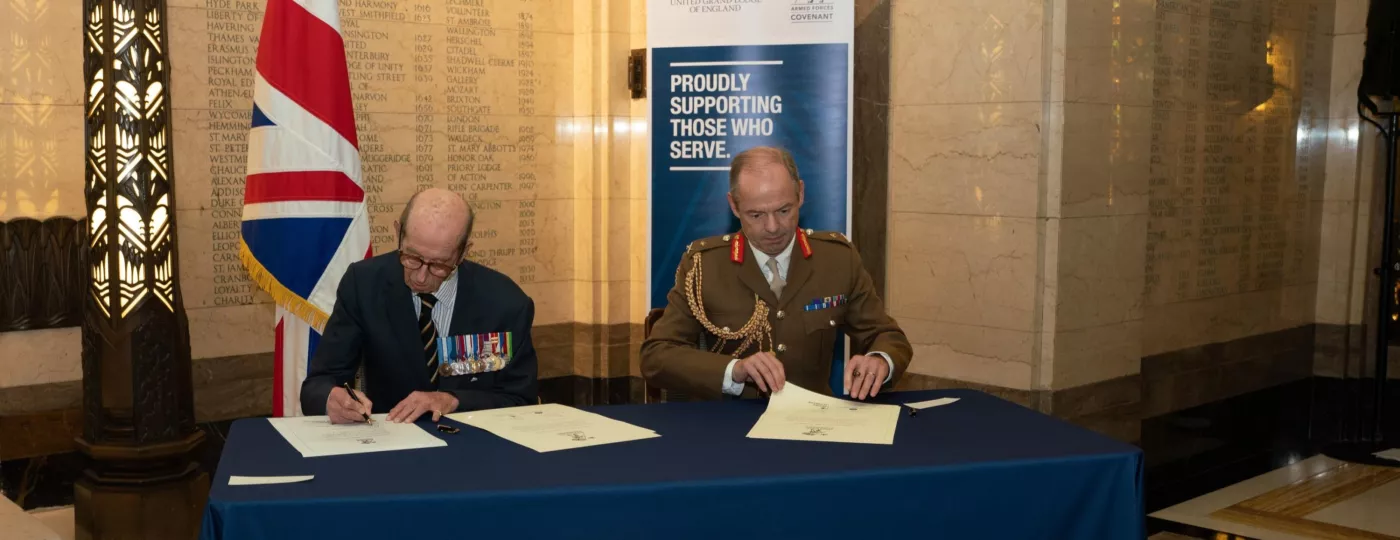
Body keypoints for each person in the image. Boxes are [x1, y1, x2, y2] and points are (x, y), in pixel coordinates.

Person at [642, 146, 912, 401]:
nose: (773, 227)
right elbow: (656, 356)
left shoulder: (837, 259)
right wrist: (733, 370)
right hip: (729, 428)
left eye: (784, 210)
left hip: (812, 425)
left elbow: (888, 336)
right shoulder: (704, 266)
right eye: (756, 215)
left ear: (800, 194)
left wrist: (880, 360)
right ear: (734, 206)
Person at [301, 188, 538, 423]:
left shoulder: (505, 303)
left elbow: (520, 401)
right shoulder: (363, 285)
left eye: (439, 264)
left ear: (463, 253)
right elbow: (318, 384)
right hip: (392, 443)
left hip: (474, 446)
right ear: (398, 232)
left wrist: (454, 400)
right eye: (412, 257)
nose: (421, 277)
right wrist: (332, 398)